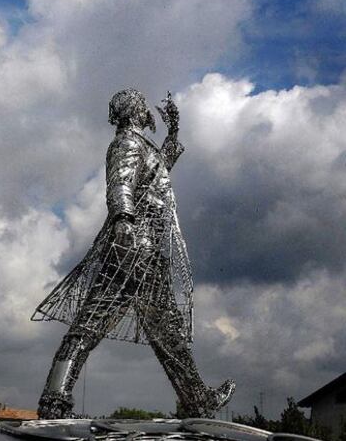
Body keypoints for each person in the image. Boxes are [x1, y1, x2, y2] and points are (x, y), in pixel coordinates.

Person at [32, 88, 235, 419]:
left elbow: (159, 171)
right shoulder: (127, 143)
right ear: (136, 112)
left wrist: (174, 133)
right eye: (143, 106)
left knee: (162, 329)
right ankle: (54, 400)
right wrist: (124, 224)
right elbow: (120, 185)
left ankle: (196, 399)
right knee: (98, 326)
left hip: (143, 250)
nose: (147, 111)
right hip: (133, 248)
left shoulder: (142, 145)